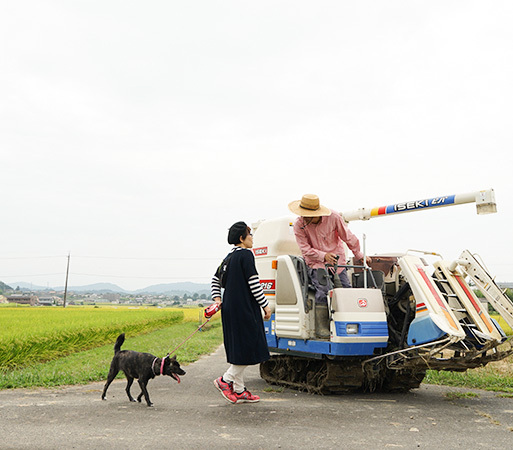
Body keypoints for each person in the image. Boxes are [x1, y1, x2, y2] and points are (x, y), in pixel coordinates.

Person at [211, 221, 272, 404]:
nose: (252, 238)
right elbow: (254, 284)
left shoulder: (228, 258)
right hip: (244, 309)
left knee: (238, 349)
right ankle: (225, 380)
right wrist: (265, 305)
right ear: (241, 238)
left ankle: (239, 390)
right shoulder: (246, 255)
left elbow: (215, 280)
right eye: (250, 234)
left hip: (229, 309)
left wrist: (218, 300)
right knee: (250, 346)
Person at [288, 194, 372, 304]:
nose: (305, 218)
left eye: (308, 215)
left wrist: (359, 254)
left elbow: (348, 237)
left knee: (346, 291)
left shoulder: (334, 217)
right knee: (323, 292)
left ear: (316, 214)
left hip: (338, 264)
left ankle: (347, 319)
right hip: (316, 264)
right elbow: (305, 250)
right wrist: (324, 256)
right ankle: (323, 320)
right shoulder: (299, 224)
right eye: (303, 215)